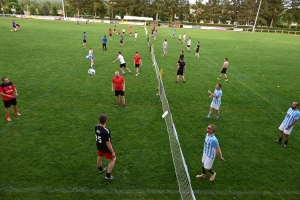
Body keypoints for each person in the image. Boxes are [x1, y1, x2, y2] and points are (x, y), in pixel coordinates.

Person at [95, 114, 116, 180]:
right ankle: (108, 176)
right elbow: (108, 143)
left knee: (100, 157)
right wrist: (112, 152)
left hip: (99, 146)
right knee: (113, 159)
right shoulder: (106, 131)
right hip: (105, 149)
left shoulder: (96, 127)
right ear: (106, 120)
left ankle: (100, 169)